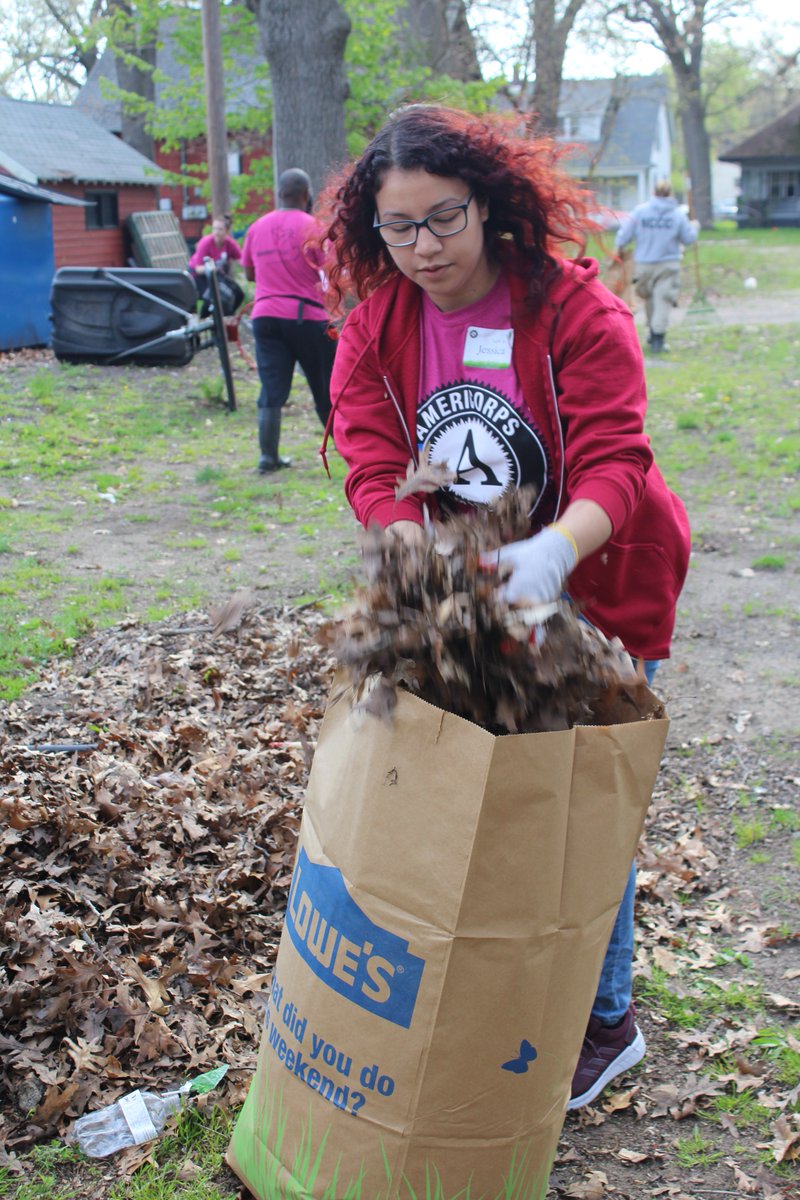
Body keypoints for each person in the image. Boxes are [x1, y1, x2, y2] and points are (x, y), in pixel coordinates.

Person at [319, 105, 691, 1112]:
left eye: (441, 219)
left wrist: (549, 555)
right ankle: (511, 984)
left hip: (599, 574)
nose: (422, 248)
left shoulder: (572, 312)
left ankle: (605, 1020)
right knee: (495, 798)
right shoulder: (380, 322)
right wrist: (400, 531)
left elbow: (617, 460)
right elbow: (361, 440)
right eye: (397, 229)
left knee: (580, 801)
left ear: (485, 204)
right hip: (466, 584)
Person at [241, 168, 337, 473]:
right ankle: (352, 455)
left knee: (271, 391)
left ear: (278, 193)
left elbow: (248, 274)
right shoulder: (314, 227)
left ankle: (267, 459)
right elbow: (332, 273)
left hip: (266, 318)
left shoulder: (257, 227)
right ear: (306, 195)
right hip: (307, 318)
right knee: (326, 390)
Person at [615, 181, 699, 353]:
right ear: (670, 194)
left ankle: (654, 334)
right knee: (663, 300)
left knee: (650, 298)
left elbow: (623, 236)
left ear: (654, 192)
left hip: (643, 265)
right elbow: (689, 239)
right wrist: (694, 226)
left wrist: (620, 249)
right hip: (668, 265)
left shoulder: (641, 212)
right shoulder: (677, 215)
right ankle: (657, 337)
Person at [188, 215, 245, 314]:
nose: (216, 232)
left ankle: (227, 319)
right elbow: (198, 269)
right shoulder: (206, 243)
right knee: (215, 295)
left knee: (238, 294)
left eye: (220, 229)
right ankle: (205, 320)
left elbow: (242, 261)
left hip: (215, 275)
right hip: (199, 276)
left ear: (226, 231)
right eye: (214, 229)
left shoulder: (229, 244)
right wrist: (212, 268)